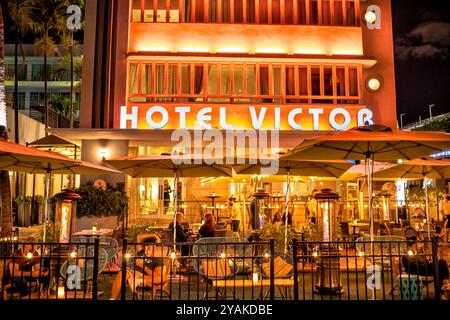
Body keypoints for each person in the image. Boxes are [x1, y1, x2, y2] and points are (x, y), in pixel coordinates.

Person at [110, 235, 168, 300]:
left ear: (154, 248)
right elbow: (139, 237)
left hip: (146, 277)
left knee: (162, 277)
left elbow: (157, 276)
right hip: (133, 273)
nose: (146, 251)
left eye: (148, 249)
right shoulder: (141, 252)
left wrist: (142, 266)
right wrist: (154, 235)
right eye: (145, 248)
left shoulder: (158, 259)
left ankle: (137, 281)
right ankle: (112, 299)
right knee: (122, 274)